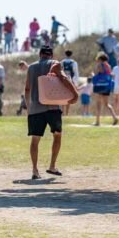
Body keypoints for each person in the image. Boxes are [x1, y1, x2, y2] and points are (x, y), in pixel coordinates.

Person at [25, 46, 79, 179]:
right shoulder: (55, 64)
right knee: (57, 134)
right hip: (53, 107)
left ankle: (34, 170)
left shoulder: (31, 68)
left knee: (35, 139)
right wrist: (74, 95)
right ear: (51, 55)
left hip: (36, 107)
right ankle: (52, 166)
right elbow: (64, 78)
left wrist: (28, 106)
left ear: (40, 54)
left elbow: (27, 89)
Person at [92, 52, 119, 126]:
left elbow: (98, 73)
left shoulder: (100, 65)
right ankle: (114, 117)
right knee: (106, 104)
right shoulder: (108, 66)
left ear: (100, 59)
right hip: (107, 85)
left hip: (100, 85)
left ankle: (97, 121)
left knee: (98, 103)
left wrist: (93, 75)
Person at [60, 50, 79, 116]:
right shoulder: (74, 62)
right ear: (71, 55)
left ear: (65, 54)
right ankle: (67, 113)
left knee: (63, 96)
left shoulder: (62, 62)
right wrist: (75, 84)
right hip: (71, 82)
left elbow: (60, 71)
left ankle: (62, 113)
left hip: (63, 81)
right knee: (69, 97)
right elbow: (76, 73)